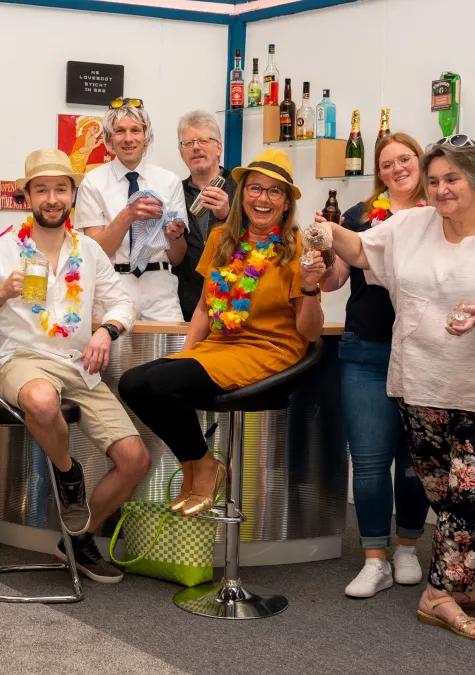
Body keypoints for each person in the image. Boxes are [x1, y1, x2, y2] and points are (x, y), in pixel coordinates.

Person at [324, 135, 475, 641]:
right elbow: (361, 250)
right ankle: (464, 580)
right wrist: (326, 232)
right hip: (422, 386)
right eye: (433, 181)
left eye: (452, 178)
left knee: (471, 494)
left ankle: (438, 595)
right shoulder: (410, 225)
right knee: (444, 494)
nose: (441, 189)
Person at [0, 149, 150, 583]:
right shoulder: (3, 250)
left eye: (60, 189)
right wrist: (1, 293)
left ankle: (77, 539)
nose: (52, 198)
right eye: (42, 190)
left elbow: (123, 301)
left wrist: (106, 332)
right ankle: (69, 475)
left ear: (71, 195)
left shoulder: (89, 250)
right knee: (42, 401)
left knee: (135, 460)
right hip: (21, 359)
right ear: (27, 196)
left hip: (78, 364)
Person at [119, 148, 325, 517]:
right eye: (255, 188)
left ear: (286, 202)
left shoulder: (298, 249)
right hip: (218, 347)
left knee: (159, 383)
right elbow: (203, 307)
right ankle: (198, 466)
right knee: (134, 383)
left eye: (274, 191)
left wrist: (310, 287)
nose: (263, 199)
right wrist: (186, 354)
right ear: (242, 193)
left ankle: (203, 471)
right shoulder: (221, 240)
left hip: (269, 351)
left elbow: (310, 332)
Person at [320, 131, 430, 598]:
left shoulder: (439, 214)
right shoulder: (359, 216)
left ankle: (406, 547)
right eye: (386, 164)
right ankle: (374, 558)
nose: (397, 168)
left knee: (416, 461)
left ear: (420, 161)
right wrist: (319, 260)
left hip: (426, 351)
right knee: (368, 460)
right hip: (365, 350)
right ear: (378, 173)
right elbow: (333, 281)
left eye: (405, 159)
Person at [76, 98, 189, 321]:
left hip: (161, 289)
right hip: (111, 287)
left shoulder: (169, 181)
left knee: (172, 345)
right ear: (109, 139)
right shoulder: (92, 182)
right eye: (120, 131)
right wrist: (128, 215)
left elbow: (177, 258)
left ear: (146, 137)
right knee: (110, 344)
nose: (128, 138)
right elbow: (94, 252)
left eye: (135, 130)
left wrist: (174, 235)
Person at [175, 111, 236, 320]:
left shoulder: (243, 188)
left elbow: (260, 243)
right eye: (188, 143)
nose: (196, 147)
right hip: (187, 306)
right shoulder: (173, 193)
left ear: (219, 147)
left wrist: (227, 215)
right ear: (181, 152)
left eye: (203, 140)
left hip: (237, 301)